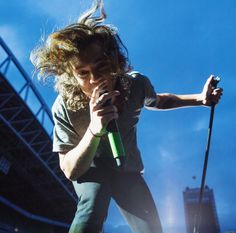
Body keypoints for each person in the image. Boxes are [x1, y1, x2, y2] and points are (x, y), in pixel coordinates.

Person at [30, 1, 223, 232]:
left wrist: (200, 99)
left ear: (115, 62)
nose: (94, 79)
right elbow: (70, 169)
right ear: (72, 76)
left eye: (101, 66)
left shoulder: (136, 84)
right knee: (93, 205)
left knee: (151, 227)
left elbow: (159, 100)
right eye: (83, 73)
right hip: (89, 167)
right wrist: (94, 128)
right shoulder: (64, 107)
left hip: (126, 168)